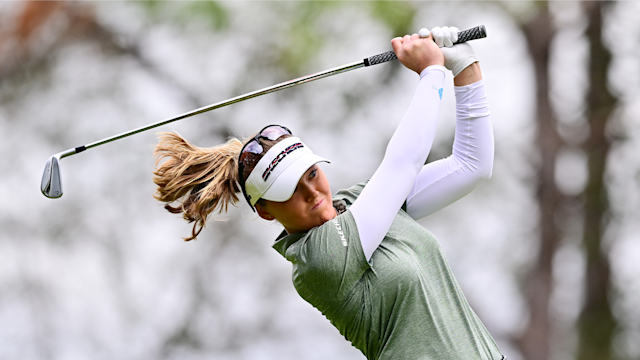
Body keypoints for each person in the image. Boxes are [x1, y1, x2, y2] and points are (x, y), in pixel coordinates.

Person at [153, 26, 504, 360]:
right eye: (290, 188)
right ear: (265, 211)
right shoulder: (317, 261)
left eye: (311, 173)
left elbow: (470, 165)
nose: (310, 191)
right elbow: (403, 163)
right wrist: (431, 73)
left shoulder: (358, 205)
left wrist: (463, 67)